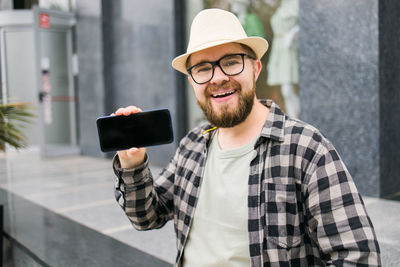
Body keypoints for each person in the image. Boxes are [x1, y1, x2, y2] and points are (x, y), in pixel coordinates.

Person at [112, 8, 381, 267]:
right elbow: (146, 217)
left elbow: (357, 257)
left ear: (255, 68)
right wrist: (132, 162)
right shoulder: (192, 145)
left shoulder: (306, 149)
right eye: (203, 68)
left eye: (230, 62)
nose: (217, 78)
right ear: (192, 81)